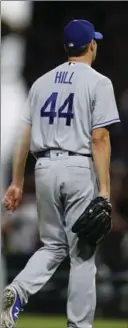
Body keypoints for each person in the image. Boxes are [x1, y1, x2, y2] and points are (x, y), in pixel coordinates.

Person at [1, 19, 120, 328]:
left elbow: (23, 138)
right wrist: (105, 191)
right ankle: (79, 325)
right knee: (82, 253)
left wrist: (15, 182)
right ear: (91, 45)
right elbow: (100, 138)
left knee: (53, 246)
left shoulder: (41, 83)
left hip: (43, 168)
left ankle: (19, 290)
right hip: (78, 166)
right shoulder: (98, 82)